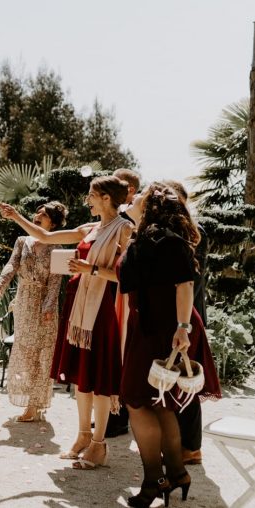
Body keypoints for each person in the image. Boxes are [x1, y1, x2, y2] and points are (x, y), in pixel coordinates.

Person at [0, 175, 133, 470]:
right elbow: (46, 237)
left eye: (92, 196)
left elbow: (131, 276)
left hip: (102, 311)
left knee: (98, 380)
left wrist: (92, 269)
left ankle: (99, 444)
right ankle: (83, 435)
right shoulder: (89, 229)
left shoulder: (124, 230)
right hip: (78, 310)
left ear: (106, 198)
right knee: (82, 380)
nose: (88, 200)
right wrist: (17, 216)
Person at [118, 182, 221, 507]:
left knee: (135, 400)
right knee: (156, 403)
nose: (131, 200)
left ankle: (155, 481)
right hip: (146, 326)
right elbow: (127, 283)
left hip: (165, 329)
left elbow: (184, 285)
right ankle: (174, 475)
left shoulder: (167, 240)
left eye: (139, 197)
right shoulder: (143, 238)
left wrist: (182, 328)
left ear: (150, 206)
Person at [0, 201, 67, 422]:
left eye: (43, 214)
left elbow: (56, 282)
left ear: (54, 222)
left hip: (45, 303)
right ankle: (30, 399)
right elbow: (11, 266)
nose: (37, 215)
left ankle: (35, 405)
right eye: (37, 212)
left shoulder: (57, 247)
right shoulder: (22, 241)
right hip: (24, 301)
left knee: (43, 355)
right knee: (25, 352)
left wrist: (48, 307)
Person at [162, 180, 210, 466]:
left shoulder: (193, 232)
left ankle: (192, 447)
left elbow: (189, 282)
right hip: (177, 315)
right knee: (173, 381)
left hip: (187, 317)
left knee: (186, 380)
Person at [105, 168, 141, 438]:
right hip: (108, 291)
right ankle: (111, 414)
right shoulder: (112, 218)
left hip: (124, 293)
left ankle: (119, 419)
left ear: (129, 189)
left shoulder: (131, 221)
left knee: (122, 353)